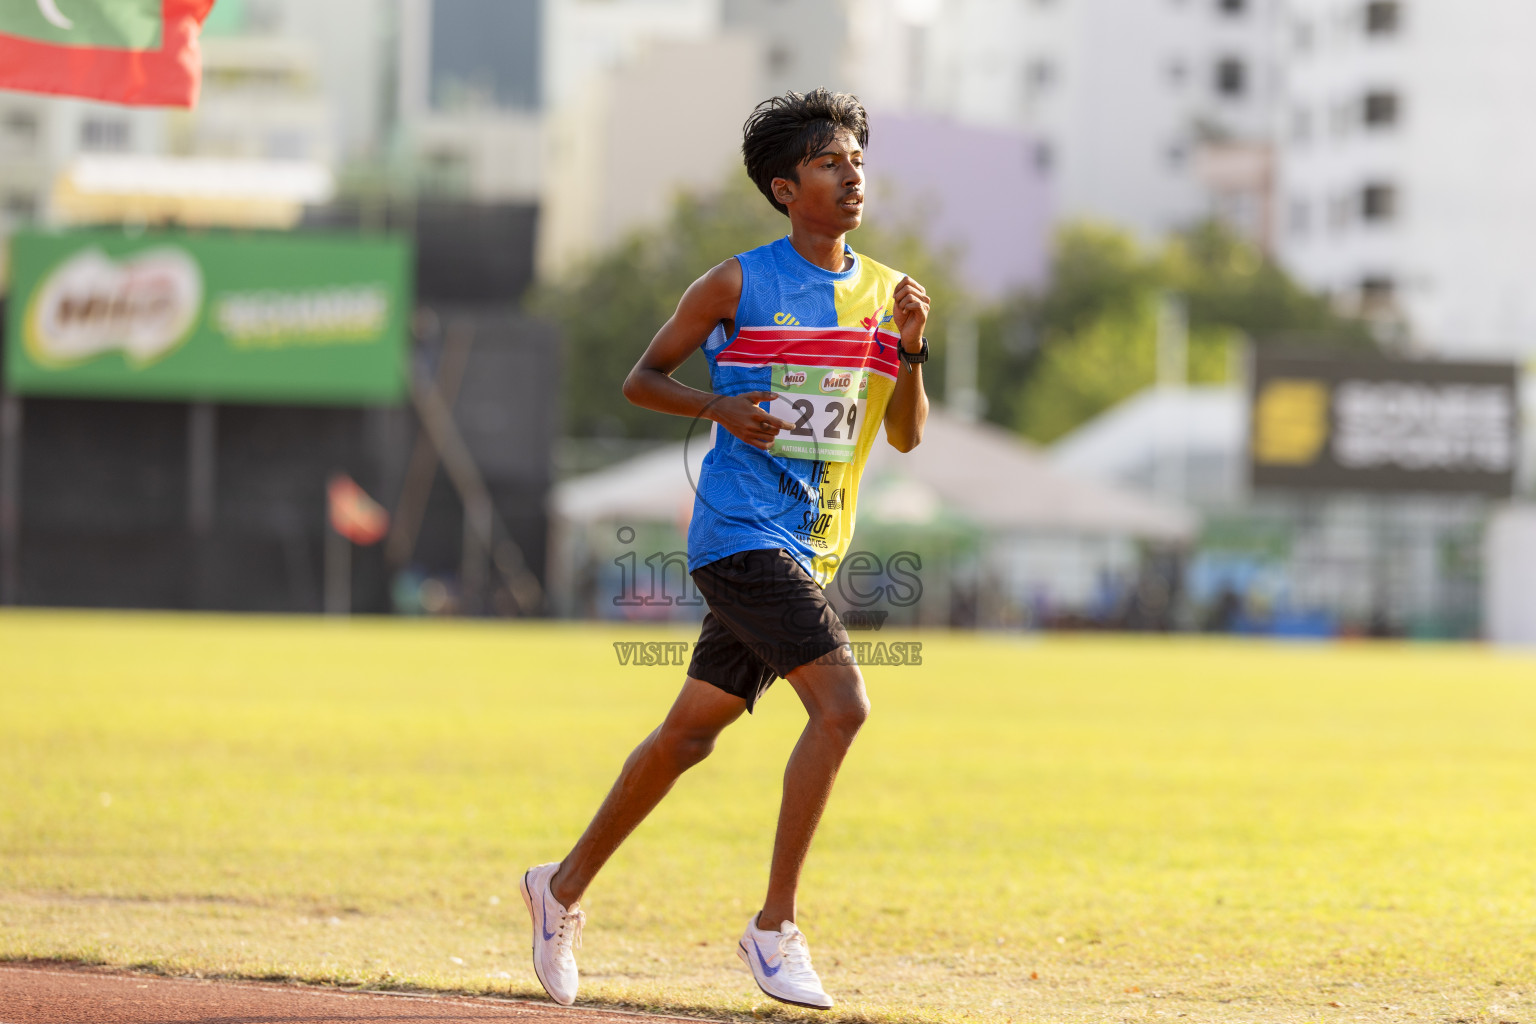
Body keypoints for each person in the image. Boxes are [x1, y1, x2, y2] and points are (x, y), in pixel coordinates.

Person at [521, 88, 931, 1011]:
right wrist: (719, 407)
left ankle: (561, 887)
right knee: (843, 706)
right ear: (786, 189)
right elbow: (642, 378)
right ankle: (775, 928)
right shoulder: (735, 284)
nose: (852, 172)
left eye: (857, 157)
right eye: (830, 161)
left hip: (815, 547)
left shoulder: (883, 292)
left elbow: (903, 437)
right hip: (740, 536)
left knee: (690, 736)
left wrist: (910, 350)